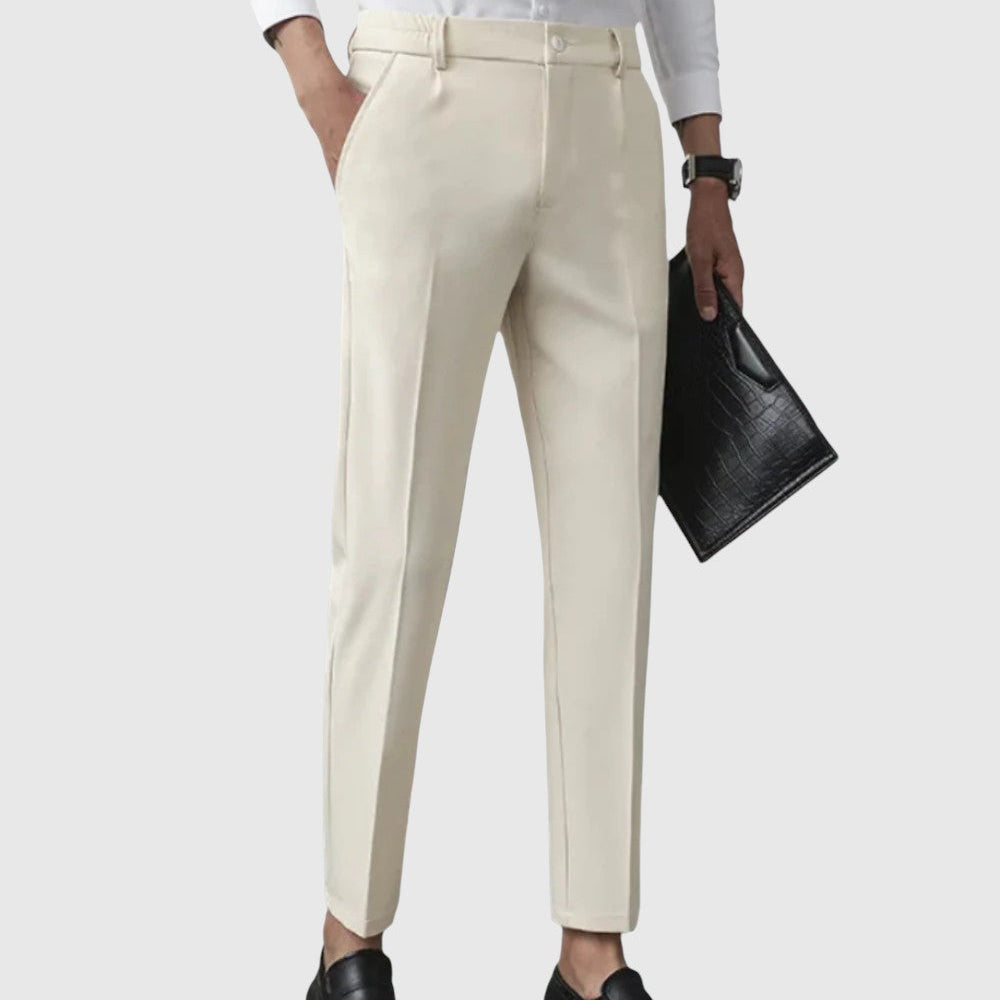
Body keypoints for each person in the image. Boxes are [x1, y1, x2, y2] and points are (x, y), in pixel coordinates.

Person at [247, 0, 743, 997]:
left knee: (610, 556)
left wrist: (705, 164)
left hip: (605, 106)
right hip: (428, 87)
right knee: (394, 544)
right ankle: (350, 937)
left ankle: (591, 948)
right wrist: (311, 76)